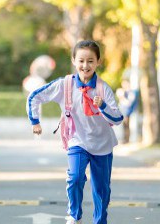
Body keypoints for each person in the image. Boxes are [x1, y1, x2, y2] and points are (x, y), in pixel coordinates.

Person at [26, 40, 123, 224]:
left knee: (102, 190)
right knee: (76, 177)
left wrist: (102, 106)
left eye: (90, 61)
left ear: (98, 62)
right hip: (77, 141)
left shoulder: (103, 88)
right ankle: (74, 215)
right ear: (74, 60)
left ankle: (100, 220)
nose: (85, 66)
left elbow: (117, 118)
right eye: (81, 61)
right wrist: (35, 121)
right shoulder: (65, 85)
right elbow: (35, 96)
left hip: (102, 144)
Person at [115, 78, 138, 143]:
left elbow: (129, 103)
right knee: (124, 126)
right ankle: (125, 139)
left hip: (128, 112)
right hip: (123, 111)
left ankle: (126, 139)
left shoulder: (131, 93)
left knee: (126, 125)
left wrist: (122, 97)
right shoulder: (123, 91)